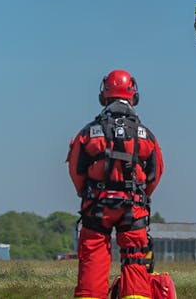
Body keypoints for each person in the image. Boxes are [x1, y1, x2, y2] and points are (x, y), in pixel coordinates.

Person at [67, 70, 164, 299]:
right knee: (135, 259)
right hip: (134, 207)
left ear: (104, 96)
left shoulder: (89, 132)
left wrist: (87, 193)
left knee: (93, 256)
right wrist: (140, 196)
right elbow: (155, 172)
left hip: (97, 205)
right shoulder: (146, 135)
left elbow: (76, 169)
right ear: (133, 96)